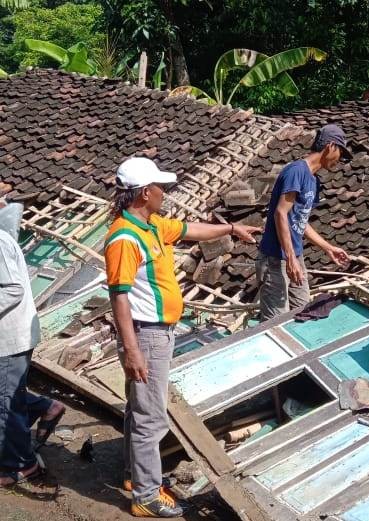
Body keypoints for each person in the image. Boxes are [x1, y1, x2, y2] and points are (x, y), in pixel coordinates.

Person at [105, 157, 260, 518]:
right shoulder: (125, 238)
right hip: (145, 335)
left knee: (139, 409)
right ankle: (146, 495)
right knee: (151, 416)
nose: (166, 193)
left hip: (156, 333)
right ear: (145, 193)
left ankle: (134, 476)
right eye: (162, 188)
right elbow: (119, 296)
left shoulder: (151, 225)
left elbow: (190, 229)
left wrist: (231, 229)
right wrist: (131, 351)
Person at [256, 124, 352, 321]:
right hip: (275, 258)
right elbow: (280, 214)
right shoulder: (296, 171)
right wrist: (290, 258)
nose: (339, 161)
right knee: (276, 322)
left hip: (295, 256)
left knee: (304, 312)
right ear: (330, 146)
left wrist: (328, 248)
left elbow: (301, 220)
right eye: (340, 153)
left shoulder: (314, 180)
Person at [0, 200, 65, 487]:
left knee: (4, 403)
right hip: (11, 336)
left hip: (9, 339)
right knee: (7, 395)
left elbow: (12, 289)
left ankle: (22, 465)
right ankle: (43, 406)